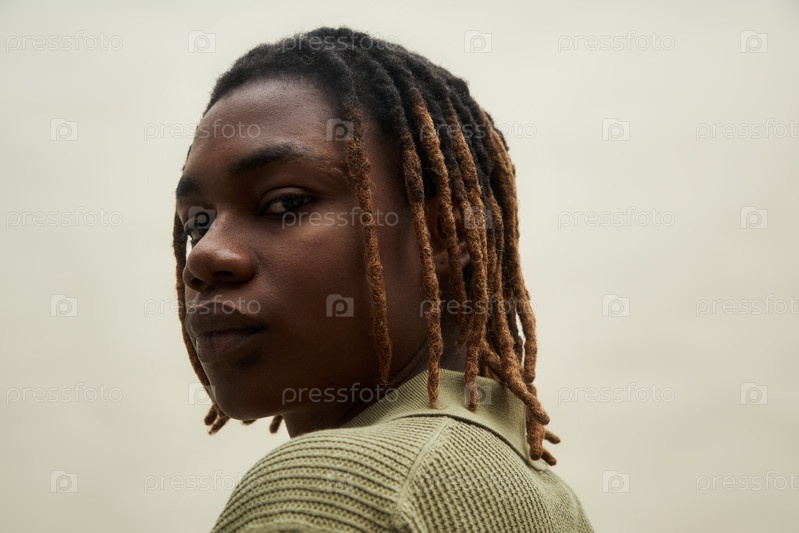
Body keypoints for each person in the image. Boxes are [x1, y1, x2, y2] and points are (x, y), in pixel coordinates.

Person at [173, 26, 594, 532]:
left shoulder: (334, 488)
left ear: (446, 234)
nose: (204, 256)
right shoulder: (549, 502)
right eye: (197, 225)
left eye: (285, 203)